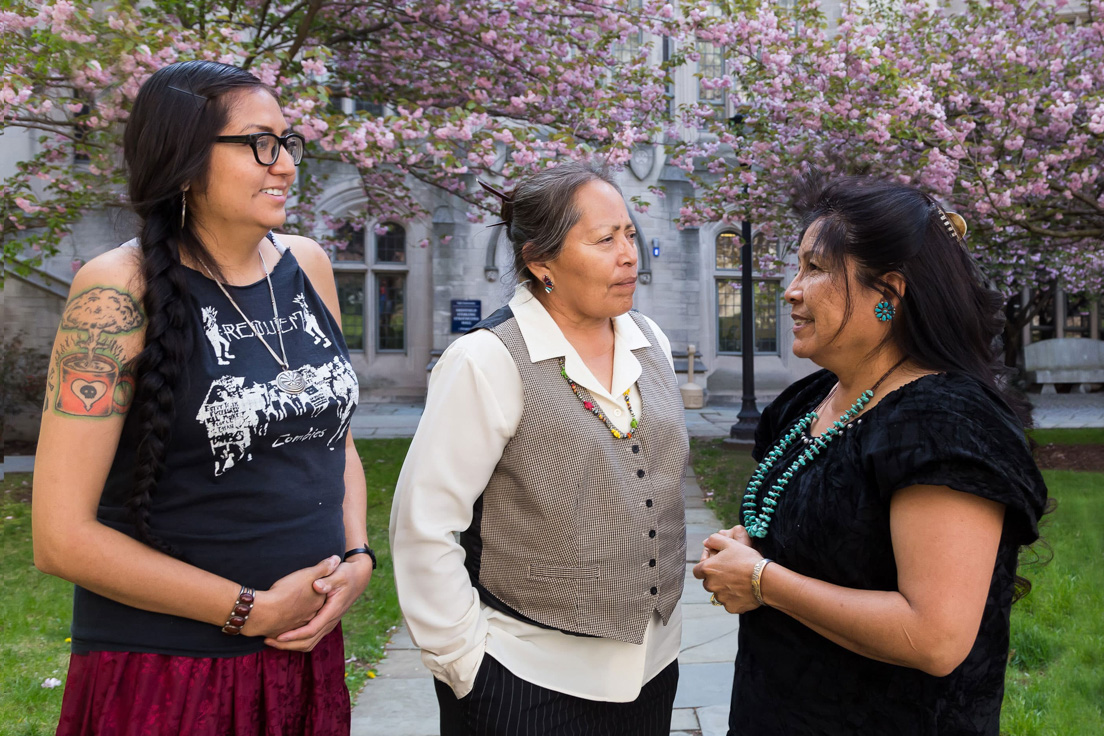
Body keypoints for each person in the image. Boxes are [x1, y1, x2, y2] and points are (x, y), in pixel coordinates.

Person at [32, 60, 374, 735]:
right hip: (172, 671)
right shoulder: (116, 293)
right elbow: (59, 539)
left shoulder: (308, 264)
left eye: (286, 141)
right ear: (184, 161)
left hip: (301, 652)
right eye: (257, 143)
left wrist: (358, 558)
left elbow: (335, 440)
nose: (283, 165)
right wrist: (248, 609)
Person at [693, 175, 1050, 735]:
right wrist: (750, 544)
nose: (791, 289)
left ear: (888, 292)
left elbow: (934, 637)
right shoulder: (809, 401)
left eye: (814, 269)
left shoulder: (943, 424)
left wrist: (762, 580)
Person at [390, 161, 688, 735]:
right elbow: (424, 527)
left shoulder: (652, 343)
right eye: (605, 240)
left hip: (654, 672)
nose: (629, 254)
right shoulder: (485, 360)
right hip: (526, 683)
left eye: (629, 233)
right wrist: (466, 666)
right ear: (540, 261)